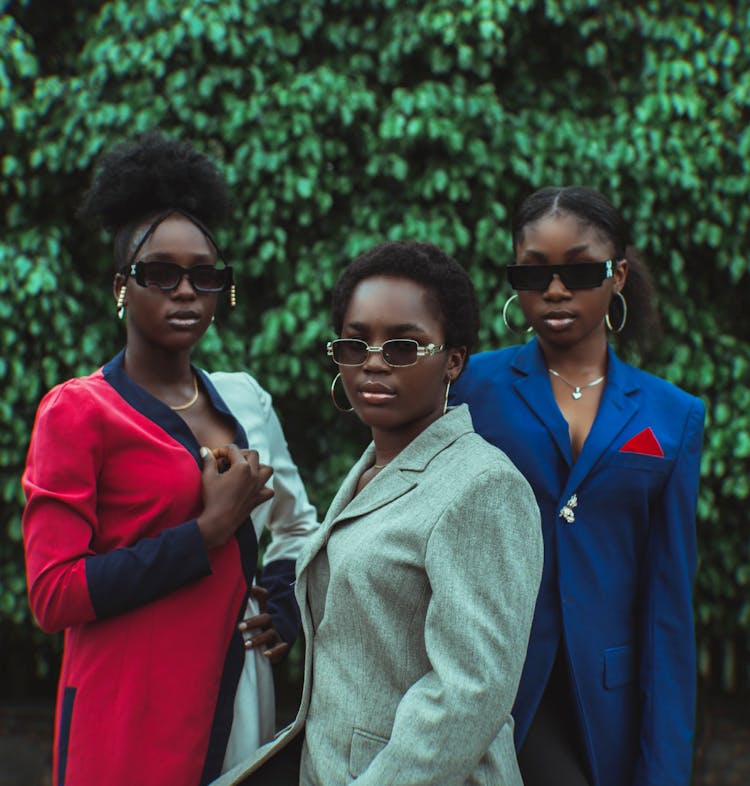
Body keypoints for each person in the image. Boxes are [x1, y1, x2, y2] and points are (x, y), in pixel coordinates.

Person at [21, 133, 318, 786]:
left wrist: (285, 606)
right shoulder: (77, 413)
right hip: (128, 708)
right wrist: (206, 533)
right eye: (161, 273)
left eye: (204, 276)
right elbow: (52, 593)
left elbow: (301, 526)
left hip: (237, 691)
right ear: (122, 286)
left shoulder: (244, 399)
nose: (185, 291)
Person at [214, 240, 543, 786]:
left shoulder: (484, 486)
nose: (372, 361)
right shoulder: (372, 468)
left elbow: (469, 694)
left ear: (453, 361)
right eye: (355, 343)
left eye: (403, 347)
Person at [450, 186, 705, 786]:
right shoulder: (469, 388)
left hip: (609, 701)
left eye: (580, 270)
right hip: (494, 682)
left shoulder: (672, 416)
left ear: (617, 275)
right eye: (533, 273)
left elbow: (668, 604)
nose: (556, 290)